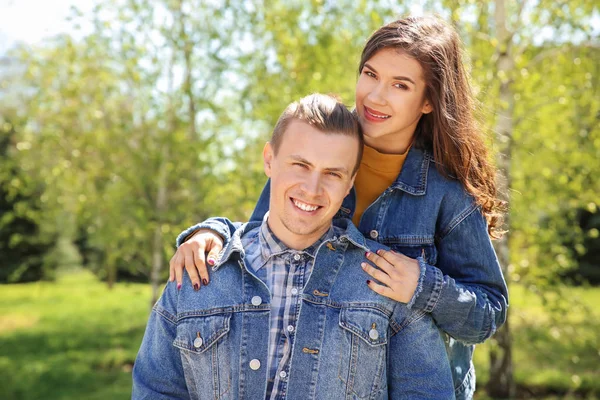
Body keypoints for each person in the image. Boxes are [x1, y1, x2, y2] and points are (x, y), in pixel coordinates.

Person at [170, 16, 508, 400]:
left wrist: (422, 286)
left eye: (400, 85)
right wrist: (211, 232)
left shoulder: (448, 194)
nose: (376, 96)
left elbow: (488, 313)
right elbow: (263, 240)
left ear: (429, 100)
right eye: (370, 74)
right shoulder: (318, 146)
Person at [132, 93, 455, 399]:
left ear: (350, 183)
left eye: (332, 173)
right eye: (300, 165)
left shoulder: (387, 283)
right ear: (269, 160)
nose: (312, 189)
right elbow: (155, 390)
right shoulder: (198, 274)